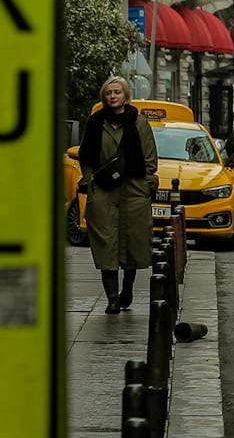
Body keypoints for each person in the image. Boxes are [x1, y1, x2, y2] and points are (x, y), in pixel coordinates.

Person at [77, 76, 158, 313]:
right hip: (103, 189)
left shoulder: (139, 123)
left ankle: (127, 289)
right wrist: (91, 182)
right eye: (109, 92)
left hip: (133, 188)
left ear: (125, 95)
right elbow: (86, 156)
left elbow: (150, 158)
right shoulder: (95, 122)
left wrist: (146, 184)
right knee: (105, 243)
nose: (113, 96)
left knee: (132, 241)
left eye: (117, 92)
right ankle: (112, 297)